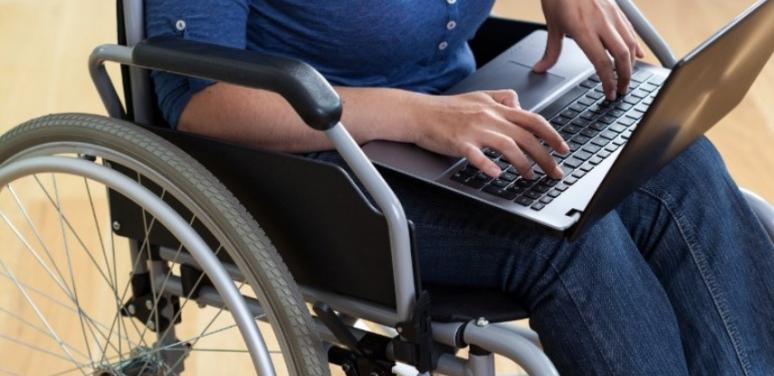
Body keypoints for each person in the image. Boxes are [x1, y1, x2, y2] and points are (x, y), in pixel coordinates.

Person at [146, 0, 774, 374]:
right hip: (313, 161)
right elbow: (198, 102)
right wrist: (413, 115)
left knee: (679, 161)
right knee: (565, 237)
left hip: (460, 105)